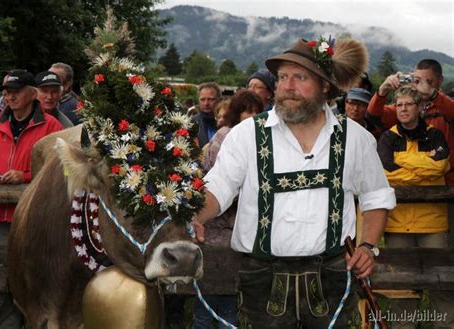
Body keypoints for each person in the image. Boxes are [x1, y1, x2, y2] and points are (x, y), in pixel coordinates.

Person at [192, 36, 396, 328]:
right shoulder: (247, 134)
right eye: (283, 77)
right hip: (262, 277)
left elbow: (376, 196)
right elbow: (219, 186)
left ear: (325, 85)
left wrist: (368, 247)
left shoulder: (355, 138)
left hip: (333, 275)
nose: (287, 86)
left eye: (300, 77)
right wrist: (198, 215)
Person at [0, 70, 62, 329]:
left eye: (15, 91)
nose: (9, 96)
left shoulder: (51, 127)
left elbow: (60, 169)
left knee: (31, 280)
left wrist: (25, 175)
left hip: (35, 221)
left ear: (31, 93)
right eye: (6, 92)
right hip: (0, 219)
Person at [377, 85, 453, 329]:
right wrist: (423, 165)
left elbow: (441, 166)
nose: (403, 109)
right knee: (401, 284)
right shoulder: (387, 137)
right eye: (399, 105)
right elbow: (386, 173)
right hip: (398, 223)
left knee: (442, 281)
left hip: (433, 222)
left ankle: (445, 325)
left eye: (408, 104)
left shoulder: (435, 135)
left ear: (420, 107)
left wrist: (403, 164)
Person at [194, 90, 264, 329]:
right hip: (218, 230)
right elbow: (220, 183)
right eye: (248, 111)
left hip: (237, 230)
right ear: (237, 113)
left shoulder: (258, 137)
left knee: (230, 307)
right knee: (208, 304)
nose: (253, 116)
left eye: (257, 112)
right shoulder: (225, 138)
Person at [367, 59, 454, 184]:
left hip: (446, 184)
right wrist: (382, 91)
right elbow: (373, 116)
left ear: (440, 80)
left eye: (428, 82)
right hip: (406, 185)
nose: (422, 86)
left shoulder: (446, 105)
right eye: (418, 81)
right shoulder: (405, 107)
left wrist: (433, 94)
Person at [192, 82, 220, 148]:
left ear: (219, 100)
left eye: (210, 99)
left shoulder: (228, 121)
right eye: (202, 99)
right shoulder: (191, 122)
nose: (206, 103)